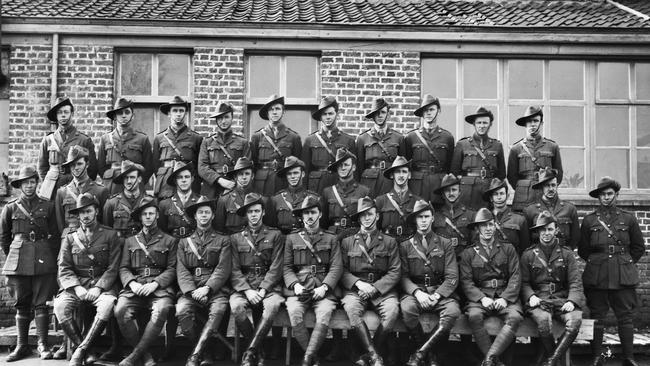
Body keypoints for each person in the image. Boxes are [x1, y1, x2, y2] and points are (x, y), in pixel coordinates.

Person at [579, 177, 645, 366]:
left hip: (622, 275)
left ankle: (629, 357)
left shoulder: (628, 219)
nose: (606, 198)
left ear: (616, 195)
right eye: (602, 195)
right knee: (597, 315)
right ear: (598, 197)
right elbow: (584, 249)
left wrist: (625, 263)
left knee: (625, 316)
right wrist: (597, 262)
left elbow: (638, 247)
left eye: (609, 194)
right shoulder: (590, 220)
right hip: (597, 275)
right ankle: (597, 356)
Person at [54, 192, 123, 366]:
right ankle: (89, 351)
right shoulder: (70, 238)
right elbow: (64, 267)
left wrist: (98, 288)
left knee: (107, 305)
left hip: (102, 285)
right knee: (60, 306)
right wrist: (76, 287)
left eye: (89, 211)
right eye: (82, 212)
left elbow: (113, 267)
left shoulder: (110, 235)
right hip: (78, 285)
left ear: (96, 211)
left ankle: (80, 351)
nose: (85, 215)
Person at [0, 166, 59, 361]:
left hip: (43, 257)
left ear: (37, 183)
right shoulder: (10, 208)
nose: (29, 185)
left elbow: (55, 235)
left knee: (41, 303)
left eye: (32, 182)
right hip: (18, 259)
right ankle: (21, 346)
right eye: (25, 182)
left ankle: (42, 345)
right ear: (20, 185)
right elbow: (4, 238)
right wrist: (15, 256)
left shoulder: (48, 206)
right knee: (21, 303)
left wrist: (48, 255)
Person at [115, 196, 178, 366]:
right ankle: (145, 355)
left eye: (151, 213)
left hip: (159, 288)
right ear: (141, 217)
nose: (148, 217)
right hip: (135, 287)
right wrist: (133, 284)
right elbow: (123, 268)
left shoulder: (170, 241)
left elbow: (172, 269)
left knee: (163, 308)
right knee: (120, 310)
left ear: (157, 215)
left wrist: (155, 283)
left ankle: (134, 356)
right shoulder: (130, 241)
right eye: (145, 214)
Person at [340, 197, 401, 366]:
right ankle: (375, 356)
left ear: (377, 216)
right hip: (356, 289)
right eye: (363, 215)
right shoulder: (347, 242)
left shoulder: (389, 242)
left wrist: (375, 288)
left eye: (370, 214)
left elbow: (395, 271)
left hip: (382, 290)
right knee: (352, 308)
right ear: (358, 218)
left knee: (392, 311)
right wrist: (359, 284)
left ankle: (368, 355)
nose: (367, 218)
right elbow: (341, 270)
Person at [399, 199, 461, 366]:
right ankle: (430, 353)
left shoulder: (445, 243)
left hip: (439, 290)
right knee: (407, 309)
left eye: (427, 216)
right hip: (417, 291)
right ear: (415, 220)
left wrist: (437, 295)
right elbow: (402, 276)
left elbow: (452, 276)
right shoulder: (405, 245)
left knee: (453, 311)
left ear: (433, 218)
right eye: (420, 217)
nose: (424, 220)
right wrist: (417, 293)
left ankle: (420, 354)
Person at [284, 196, 343, 366]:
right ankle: (312, 357)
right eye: (306, 213)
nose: (309, 216)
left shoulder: (331, 238)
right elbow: (286, 267)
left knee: (324, 312)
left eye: (313, 212)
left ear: (320, 214)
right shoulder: (292, 238)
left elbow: (336, 267)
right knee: (294, 310)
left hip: (323, 289)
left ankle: (307, 359)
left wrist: (325, 287)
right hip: (300, 288)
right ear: (301, 216)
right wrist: (295, 286)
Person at [459, 208, 523, 366]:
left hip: (504, 294)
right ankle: (494, 360)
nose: (488, 229)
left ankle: (489, 360)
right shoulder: (468, 253)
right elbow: (466, 281)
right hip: (480, 297)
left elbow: (516, 276)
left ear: (495, 226)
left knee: (514, 317)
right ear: (477, 229)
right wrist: (482, 299)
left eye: (490, 225)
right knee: (474, 316)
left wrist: (505, 298)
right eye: (483, 225)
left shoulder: (508, 249)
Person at [520, 211, 585, 366]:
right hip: (539, 299)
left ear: (556, 230)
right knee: (543, 321)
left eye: (549, 229)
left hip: (562, 298)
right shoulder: (528, 255)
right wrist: (531, 296)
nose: (546, 233)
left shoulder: (567, 254)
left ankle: (551, 361)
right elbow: (523, 283)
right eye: (542, 230)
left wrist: (572, 300)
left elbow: (575, 282)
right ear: (537, 232)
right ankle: (554, 359)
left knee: (575, 320)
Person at [175, 196, 232, 366]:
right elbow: (181, 269)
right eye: (201, 213)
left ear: (213, 216)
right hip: (191, 289)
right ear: (195, 216)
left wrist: (207, 288)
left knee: (218, 309)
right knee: (182, 311)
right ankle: (203, 350)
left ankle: (195, 355)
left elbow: (223, 269)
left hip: (214, 290)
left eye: (207, 212)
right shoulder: (184, 242)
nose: (204, 215)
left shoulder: (223, 240)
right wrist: (192, 291)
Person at [230, 193, 285, 366]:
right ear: (246, 215)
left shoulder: (276, 235)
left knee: (273, 305)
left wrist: (263, 289)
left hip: (268, 286)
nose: (253, 214)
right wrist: (246, 290)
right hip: (244, 285)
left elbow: (277, 266)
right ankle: (258, 350)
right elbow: (233, 269)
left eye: (257, 211)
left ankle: (250, 352)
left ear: (263, 213)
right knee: (237, 307)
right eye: (250, 212)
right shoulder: (235, 238)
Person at [37, 97, 98, 200]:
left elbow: (92, 170)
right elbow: (42, 168)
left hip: (77, 190)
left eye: (66, 112)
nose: (63, 115)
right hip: (54, 190)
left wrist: (82, 186)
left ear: (72, 114)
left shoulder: (84, 140)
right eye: (60, 112)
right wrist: (50, 183)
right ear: (56, 116)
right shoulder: (48, 140)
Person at [507, 106, 563, 212]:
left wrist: (548, 188)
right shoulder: (516, 149)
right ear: (525, 124)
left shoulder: (552, 147)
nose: (532, 124)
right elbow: (511, 176)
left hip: (545, 196)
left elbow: (558, 175)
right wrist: (524, 188)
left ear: (541, 123)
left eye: (536, 121)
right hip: (523, 197)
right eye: (529, 121)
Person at [450, 106, 505, 210]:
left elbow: (501, 175)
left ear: (490, 125)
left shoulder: (497, 145)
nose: (482, 126)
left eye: (485, 123)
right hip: (467, 191)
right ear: (474, 124)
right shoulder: (463, 144)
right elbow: (454, 173)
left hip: (489, 190)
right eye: (479, 123)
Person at [405, 94, 454, 206]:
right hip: (417, 185)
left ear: (438, 111)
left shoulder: (447, 137)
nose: (428, 113)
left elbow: (450, 167)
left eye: (431, 109)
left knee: (439, 215)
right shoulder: (411, 137)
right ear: (422, 113)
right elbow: (406, 165)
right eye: (425, 110)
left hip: (439, 184)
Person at [98, 97, 154, 195]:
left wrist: (138, 182)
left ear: (133, 116)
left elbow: (149, 168)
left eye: (127, 112)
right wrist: (109, 181)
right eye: (120, 113)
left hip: (135, 187)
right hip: (112, 186)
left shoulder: (142, 139)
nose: (124, 116)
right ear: (115, 116)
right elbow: (101, 167)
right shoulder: (105, 139)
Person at [250, 94, 302, 196]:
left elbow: (298, 164)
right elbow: (253, 163)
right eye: (271, 109)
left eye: (278, 109)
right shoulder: (257, 136)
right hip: (262, 183)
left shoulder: (293, 137)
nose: (274, 112)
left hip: (284, 182)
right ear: (267, 113)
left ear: (283, 111)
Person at [302, 96, 356, 194]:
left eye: (330, 113)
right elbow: (304, 171)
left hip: (339, 184)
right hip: (316, 186)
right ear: (320, 117)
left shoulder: (348, 140)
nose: (327, 117)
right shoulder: (310, 140)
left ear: (336, 114)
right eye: (324, 114)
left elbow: (354, 170)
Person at [152, 95, 203, 199]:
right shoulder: (160, 138)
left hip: (187, 182)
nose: (178, 114)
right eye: (175, 111)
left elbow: (199, 166)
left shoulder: (196, 138)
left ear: (185, 113)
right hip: (166, 184)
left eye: (181, 110)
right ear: (169, 114)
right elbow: (155, 166)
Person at [198, 102, 251, 199]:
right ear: (216, 120)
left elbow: (246, 168)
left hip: (234, 187)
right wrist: (219, 180)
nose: (223, 121)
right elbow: (202, 167)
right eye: (220, 118)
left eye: (226, 117)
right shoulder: (207, 142)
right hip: (211, 188)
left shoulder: (243, 142)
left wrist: (235, 183)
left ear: (232, 118)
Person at [55, 145, 109, 236]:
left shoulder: (100, 191)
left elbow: (105, 223)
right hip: (71, 242)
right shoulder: (62, 192)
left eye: (79, 164)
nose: (76, 168)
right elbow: (60, 225)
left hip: (94, 240)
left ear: (87, 164)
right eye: (72, 165)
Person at [356, 98, 405, 198]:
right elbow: (358, 168)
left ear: (388, 114)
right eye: (377, 113)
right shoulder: (362, 138)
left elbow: (403, 165)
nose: (380, 115)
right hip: (369, 182)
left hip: (390, 182)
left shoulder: (398, 138)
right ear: (373, 115)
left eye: (383, 112)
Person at [523, 167, 579, 249]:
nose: (551, 189)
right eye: (547, 185)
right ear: (542, 187)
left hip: (562, 256)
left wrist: (567, 253)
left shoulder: (569, 209)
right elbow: (526, 240)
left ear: (557, 186)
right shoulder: (530, 210)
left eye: (553, 185)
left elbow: (575, 238)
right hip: (539, 256)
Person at [321, 148, 370, 240]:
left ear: (354, 167)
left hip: (355, 237)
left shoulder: (364, 191)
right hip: (333, 236)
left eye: (346, 165)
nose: (343, 168)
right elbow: (323, 222)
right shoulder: (327, 192)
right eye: (340, 165)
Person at [375, 156, 422, 243]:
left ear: (409, 175)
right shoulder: (381, 201)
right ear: (392, 175)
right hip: (387, 245)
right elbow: (376, 229)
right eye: (397, 172)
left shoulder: (417, 201)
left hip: (410, 245)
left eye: (404, 172)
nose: (401, 175)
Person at [268, 156, 319, 234]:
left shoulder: (313, 198)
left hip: (304, 240)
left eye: (295, 173)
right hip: (283, 241)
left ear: (303, 174)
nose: (292, 177)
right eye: (289, 174)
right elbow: (272, 227)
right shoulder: (276, 199)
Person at [103, 160, 152, 238]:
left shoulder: (149, 202)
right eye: (126, 178)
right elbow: (107, 233)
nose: (129, 181)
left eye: (132, 177)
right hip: (120, 248)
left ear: (139, 179)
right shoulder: (111, 204)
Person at [432, 173, 476, 257]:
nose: (451, 193)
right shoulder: (436, 215)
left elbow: (475, 241)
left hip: (464, 259)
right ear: (443, 194)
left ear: (459, 192)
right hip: (443, 259)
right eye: (447, 190)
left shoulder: (471, 215)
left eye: (454, 190)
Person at [483, 178, 530, 255]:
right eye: (495, 194)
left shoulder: (519, 220)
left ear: (507, 196)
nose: (499, 197)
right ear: (491, 198)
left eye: (502, 193)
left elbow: (525, 250)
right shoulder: (484, 219)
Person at [158, 161, 201, 238]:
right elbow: (162, 231)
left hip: (194, 244)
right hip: (173, 243)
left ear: (192, 179)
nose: (184, 180)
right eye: (180, 177)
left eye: (187, 177)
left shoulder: (200, 201)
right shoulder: (165, 204)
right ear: (175, 181)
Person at [215, 157, 256, 234]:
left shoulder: (259, 198)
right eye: (241, 174)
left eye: (247, 173)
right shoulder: (224, 199)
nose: (244, 177)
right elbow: (219, 229)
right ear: (235, 177)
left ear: (252, 176)